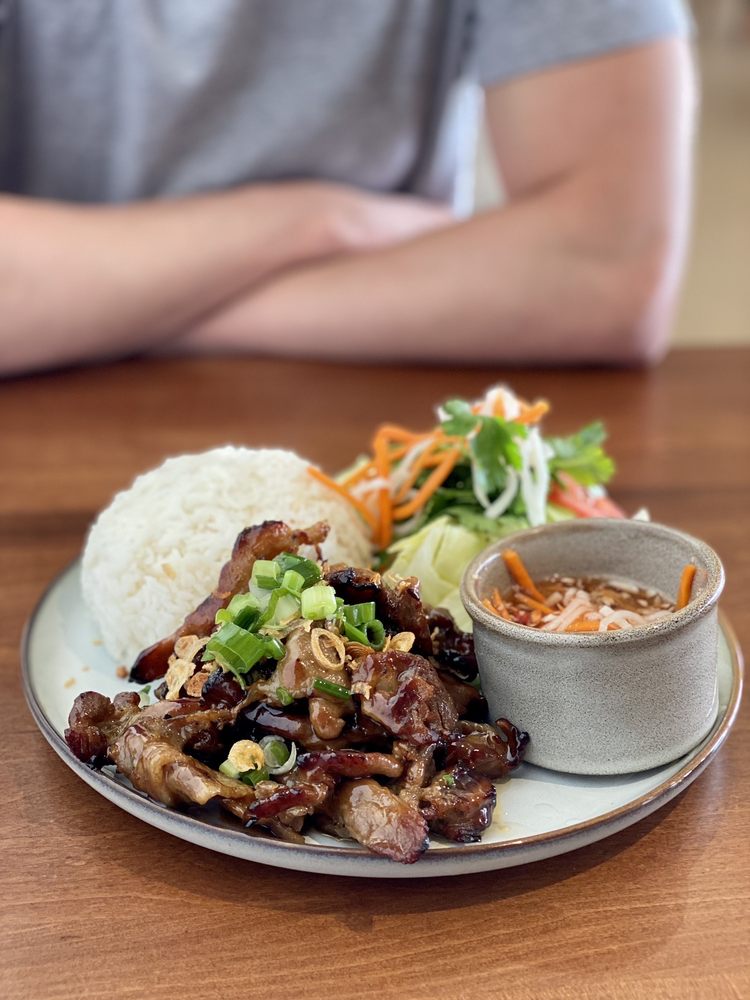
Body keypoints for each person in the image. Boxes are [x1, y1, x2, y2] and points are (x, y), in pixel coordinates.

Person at [0, 0, 694, 376]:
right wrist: (315, 222)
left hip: (389, 411)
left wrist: (109, 306)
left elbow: (607, 265)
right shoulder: (327, 227)